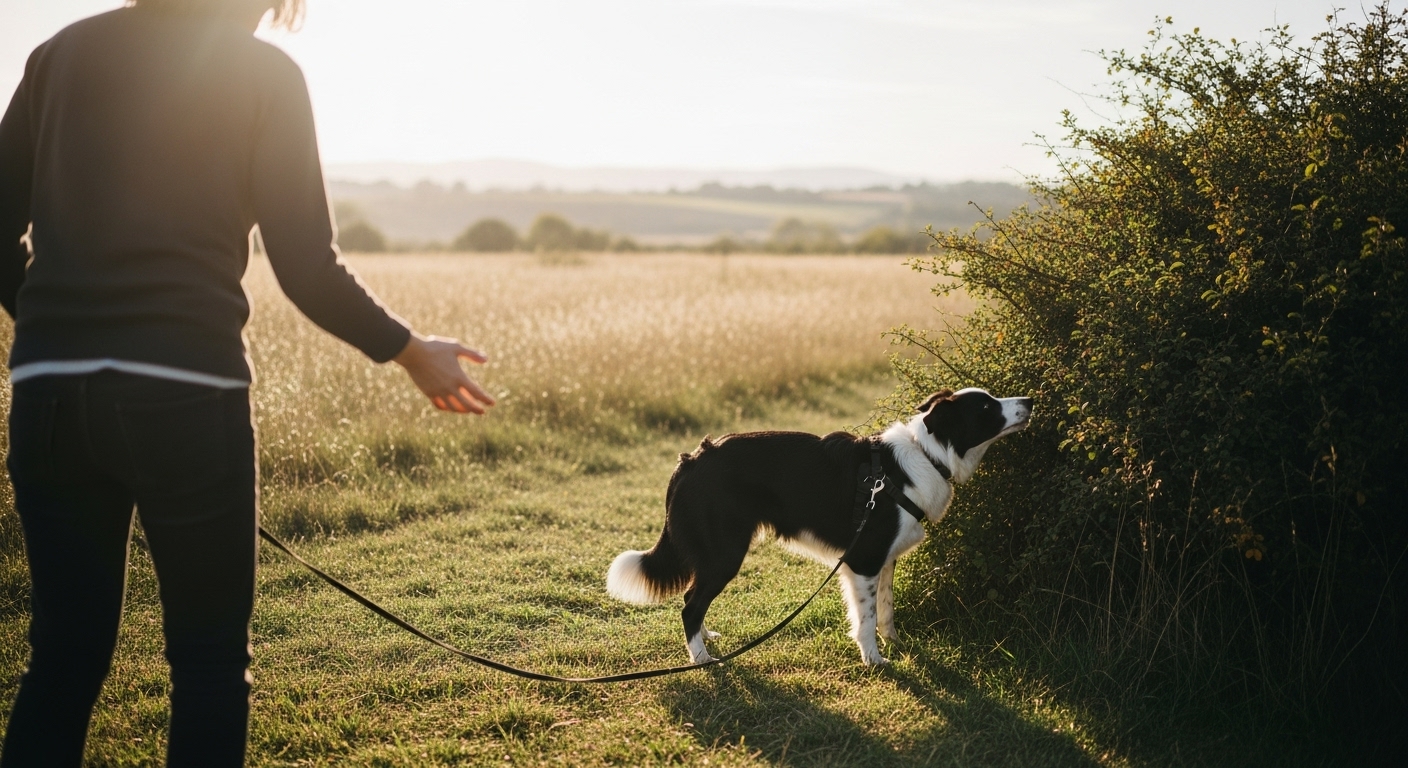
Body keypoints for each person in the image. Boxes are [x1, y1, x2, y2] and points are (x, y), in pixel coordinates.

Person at [0, 0, 495, 764]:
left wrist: (53, 322)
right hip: (185, 394)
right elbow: (306, 266)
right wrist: (409, 350)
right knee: (207, 665)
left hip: (48, 395)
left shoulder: (60, 53)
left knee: (62, 659)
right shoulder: (265, 75)